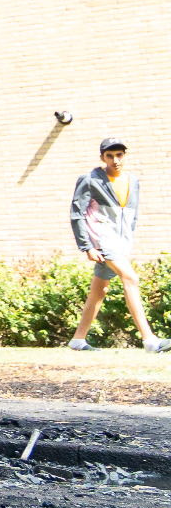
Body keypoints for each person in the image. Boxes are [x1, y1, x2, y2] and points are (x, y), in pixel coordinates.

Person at [69, 138, 168, 352]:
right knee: (130, 277)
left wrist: (126, 244)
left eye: (119, 155)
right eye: (110, 156)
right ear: (102, 158)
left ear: (125, 155)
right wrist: (88, 246)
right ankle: (150, 340)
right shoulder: (90, 180)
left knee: (99, 290)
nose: (115, 160)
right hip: (102, 240)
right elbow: (77, 215)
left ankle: (77, 341)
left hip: (121, 243)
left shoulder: (133, 181)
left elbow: (132, 215)